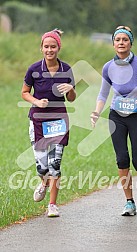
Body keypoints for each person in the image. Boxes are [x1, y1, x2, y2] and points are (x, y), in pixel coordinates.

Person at [91, 25, 137, 216]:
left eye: (125, 40)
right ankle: (129, 202)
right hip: (116, 116)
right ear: (113, 43)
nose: (121, 43)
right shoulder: (108, 67)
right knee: (122, 159)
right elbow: (103, 93)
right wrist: (97, 112)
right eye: (117, 40)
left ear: (131, 43)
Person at [21, 28, 76, 217]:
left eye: (53, 46)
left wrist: (70, 88)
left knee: (55, 164)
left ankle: (52, 205)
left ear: (58, 48)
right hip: (37, 120)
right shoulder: (34, 69)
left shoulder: (66, 69)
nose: (49, 50)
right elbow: (24, 93)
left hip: (59, 120)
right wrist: (36, 101)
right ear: (41, 48)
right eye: (46, 46)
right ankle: (43, 182)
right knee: (42, 166)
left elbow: (72, 98)